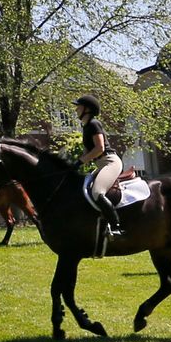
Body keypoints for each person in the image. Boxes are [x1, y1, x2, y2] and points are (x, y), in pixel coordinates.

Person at [74, 95, 123, 237]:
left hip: (109, 162)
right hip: (101, 164)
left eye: (79, 106)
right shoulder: (86, 127)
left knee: (97, 192)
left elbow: (100, 148)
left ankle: (116, 227)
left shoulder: (94, 124)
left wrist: (80, 161)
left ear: (87, 109)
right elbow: (88, 152)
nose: (76, 109)